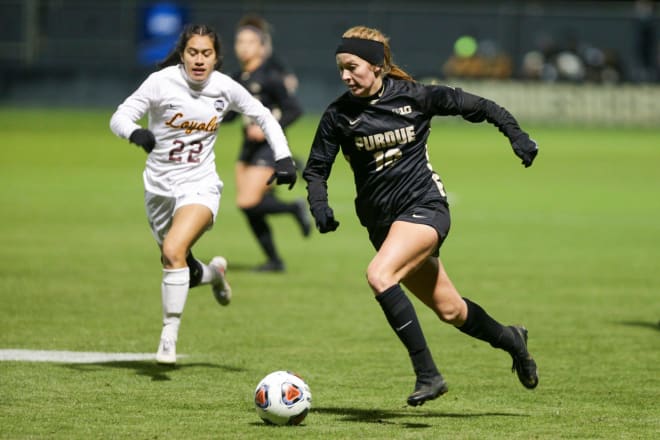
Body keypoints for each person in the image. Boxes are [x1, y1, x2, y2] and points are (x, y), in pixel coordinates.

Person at [303, 25, 539, 406]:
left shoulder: (415, 97)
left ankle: (427, 374)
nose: (345, 75)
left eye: (353, 66)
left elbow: (481, 106)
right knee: (451, 310)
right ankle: (513, 340)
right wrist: (320, 206)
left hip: (425, 209)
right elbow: (316, 168)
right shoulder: (338, 116)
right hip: (384, 228)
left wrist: (517, 136)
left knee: (379, 275)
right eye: (341, 68)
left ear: (377, 66)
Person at [109, 23, 298, 364]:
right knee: (178, 262)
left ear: (216, 57)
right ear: (182, 54)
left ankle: (169, 335)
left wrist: (283, 158)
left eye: (206, 53)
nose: (199, 60)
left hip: (200, 185)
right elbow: (120, 116)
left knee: (173, 249)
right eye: (193, 52)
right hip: (158, 189)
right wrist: (135, 133)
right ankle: (214, 274)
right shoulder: (161, 82)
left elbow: (265, 117)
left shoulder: (226, 87)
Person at [224, 14, 310, 272]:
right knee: (250, 208)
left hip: (268, 147)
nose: (244, 46)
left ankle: (294, 207)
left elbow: (294, 109)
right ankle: (274, 260)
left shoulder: (271, 77)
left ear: (262, 47)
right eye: (240, 41)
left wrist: (267, 129)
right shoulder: (236, 77)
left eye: (250, 42)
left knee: (247, 201)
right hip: (247, 147)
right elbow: (228, 115)